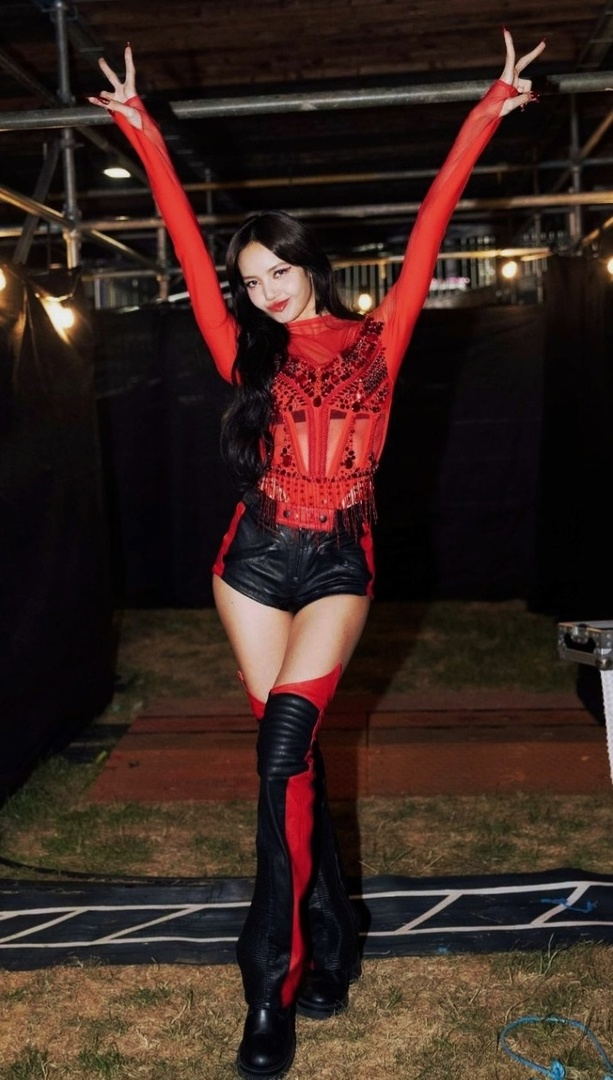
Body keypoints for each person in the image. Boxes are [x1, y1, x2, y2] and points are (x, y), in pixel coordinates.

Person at [89, 29, 545, 1080]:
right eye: (249, 279)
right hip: (252, 564)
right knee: (288, 767)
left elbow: (430, 227)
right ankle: (328, 942)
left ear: (309, 265)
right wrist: (141, 130)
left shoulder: (380, 338)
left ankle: (267, 987)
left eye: (277, 271)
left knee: (282, 750)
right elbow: (186, 249)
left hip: (339, 559)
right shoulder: (240, 346)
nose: (263, 291)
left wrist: (485, 110)